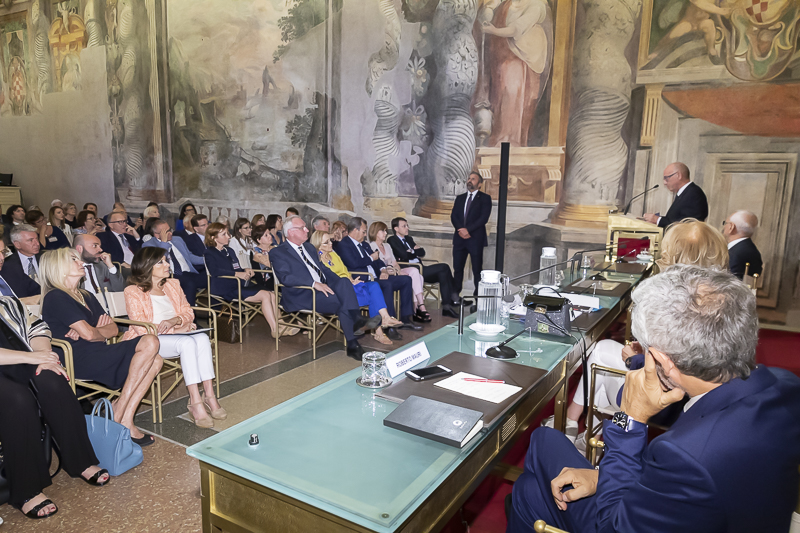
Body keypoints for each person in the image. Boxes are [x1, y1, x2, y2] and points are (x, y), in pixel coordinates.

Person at [507, 265, 800, 533]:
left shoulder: (686, 457)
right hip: (704, 511)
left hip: (631, 518)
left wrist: (629, 419)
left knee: (543, 441)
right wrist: (600, 476)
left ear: (662, 360)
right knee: (530, 491)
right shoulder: (786, 386)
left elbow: (612, 524)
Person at [548, 219, 730, 449]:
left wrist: (633, 359)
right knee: (601, 366)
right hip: (694, 400)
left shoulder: (676, 305)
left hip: (661, 403)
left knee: (600, 358)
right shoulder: (722, 299)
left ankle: (578, 426)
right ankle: (588, 435)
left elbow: (669, 370)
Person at [0, 294, 110, 519]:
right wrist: (32, 358)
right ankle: (26, 489)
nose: (1, 258)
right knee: (18, 400)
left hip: (23, 359)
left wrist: (43, 356)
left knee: (53, 381)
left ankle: (80, 460)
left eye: (2, 255)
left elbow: (37, 328)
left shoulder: (7, 302)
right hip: (13, 363)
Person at [40, 248, 162, 446]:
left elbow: (113, 329)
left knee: (156, 358)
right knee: (150, 341)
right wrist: (93, 331)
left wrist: (91, 332)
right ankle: (120, 412)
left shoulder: (85, 295)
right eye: (73, 260)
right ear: (58, 267)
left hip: (98, 352)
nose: (81, 263)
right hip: (76, 358)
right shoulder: (56, 297)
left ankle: (124, 417)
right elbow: (90, 334)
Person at [123, 247, 225, 428]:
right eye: (161, 262)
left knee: (201, 338)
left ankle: (209, 396)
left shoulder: (173, 284)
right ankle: (195, 402)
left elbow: (188, 311)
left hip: (175, 333)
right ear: (147, 267)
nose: (167, 264)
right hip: (150, 340)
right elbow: (141, 327)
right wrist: (176, 330)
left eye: (166, 260)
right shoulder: (133, 291)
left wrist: (176, 320)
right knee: (187, 342)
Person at [269, 216, 366, 360]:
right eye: (302, 228)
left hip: (322, 287)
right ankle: (353, 340)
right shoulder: (278, 252)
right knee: (341, 301)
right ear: (291, 232)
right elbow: (285, 278)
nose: (307, 230)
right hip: (303, 293)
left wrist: (343, 282)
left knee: (344, 282)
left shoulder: (308, 247)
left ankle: (355, 329)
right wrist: (313, 284)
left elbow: (323, 269)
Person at [203, 223, 294, 338]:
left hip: (239, 284)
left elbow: (236, 268)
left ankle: (282, 325)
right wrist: (237, 274)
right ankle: (275, 329)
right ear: (213, 237)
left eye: (227, 233)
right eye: (224, 234)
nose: (229, 236)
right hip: (225, 287)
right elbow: (214, 271)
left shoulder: (229, 250)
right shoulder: (209, 252)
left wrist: (245, 270)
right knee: (265, 296)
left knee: (272, 294)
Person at [311, 230, 401, 345]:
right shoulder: (318, 261)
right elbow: (329, 279)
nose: (330, 243)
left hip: (350, 283)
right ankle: (379, 331)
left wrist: (352, 279)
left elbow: (345, 270)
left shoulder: (333, 254)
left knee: (374, 285)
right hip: (339, 290)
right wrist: (348, 282)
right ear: (318, 245)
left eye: (330, 240)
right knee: (373, 297)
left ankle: (385, 317)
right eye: (326, 242)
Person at [336, 217, 420, 331]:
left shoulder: (364, 245)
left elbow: (379, 260)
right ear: (355, 230)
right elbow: (354, 263)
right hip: (364, 279)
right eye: (363, 231)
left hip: (376, 276)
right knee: (387, 285)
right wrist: (371, 258)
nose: (365, 235)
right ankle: (390, 324)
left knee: (406, 280)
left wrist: (383, 270)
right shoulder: (344, 244)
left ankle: (406, 319)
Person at [388, 217, 460, 318]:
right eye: (404, 226)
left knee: (443, 273)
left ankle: (447, 306)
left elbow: (422, 252)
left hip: (421, 268)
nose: (407, 228)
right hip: (412, 269)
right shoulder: (392, 240)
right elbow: (403, 255)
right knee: (444, 267)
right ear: (396, 229)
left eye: (407, 225)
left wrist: (412, 251)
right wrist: (414, 252)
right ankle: (453, 297)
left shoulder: (409, 239)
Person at [369, 221, 430, 322]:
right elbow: (376, 267)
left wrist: (398, 271)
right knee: (412, 277)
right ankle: (418, 307)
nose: (385, 233)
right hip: (384, 275)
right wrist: (394, 272)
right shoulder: (371, 246)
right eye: (382, 231)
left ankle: (415, 309)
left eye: (385, 231)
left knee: (415, 272)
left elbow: (395, 263)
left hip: (394, 271)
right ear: (375, 232)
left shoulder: (387, 246)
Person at [142, 219, 205, 306]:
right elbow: (160, 260)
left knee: (213, 278)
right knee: (189, 283)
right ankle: (190, 314)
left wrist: (207, 260)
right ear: (156, 234)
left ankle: (220, 310)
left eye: (170, 229)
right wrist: (164, 243)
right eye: (166, 231)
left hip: (189, 273)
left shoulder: (178, 239)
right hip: (171, 275)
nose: (171, 233)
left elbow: (190, 257)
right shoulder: (149, 245)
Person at [450, 171, 492, 299]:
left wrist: (468, 230)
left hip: (475, 239)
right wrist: (461, 230)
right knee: (458, 268)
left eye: (473, 179)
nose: (469, 180)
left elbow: (483, 218)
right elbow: (454, 216)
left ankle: (477, 297)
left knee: (477, 270)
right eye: (469, 178)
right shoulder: (460, 198)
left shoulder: (485, 198)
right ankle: (456, 295)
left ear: (479, 184)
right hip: (459, 239)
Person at [643, 162, 709, 227]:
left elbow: (687, 225)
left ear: (678, 175)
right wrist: (655, 220)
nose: (664, 183)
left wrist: (658, 220)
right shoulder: (686, 192)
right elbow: (675, 219)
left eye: (667, 178)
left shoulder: (694, 193)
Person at [73, 234, 125, 298]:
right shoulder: (70, 270)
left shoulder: (102, 266)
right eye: (95, 246)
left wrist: (110, 266)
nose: (100, 250)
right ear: (79, 249)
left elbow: (120, 291)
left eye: (99, 246)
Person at [5, 224, 43, 298]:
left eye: (37, 239)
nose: (37, 244)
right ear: (17, 244)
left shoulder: (46, 258)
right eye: (30, 240)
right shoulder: (7, 265)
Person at [723, 210, 762, 279]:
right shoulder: (749, 249)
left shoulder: (737, 253)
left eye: (725, 223)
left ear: (731, 227)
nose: (724, 227)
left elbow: (727, 282)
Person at [0, 239, 39, 304]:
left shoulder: (12, 270)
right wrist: (27, 301)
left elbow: (38, 291)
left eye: (3, 252)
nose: (2, 257)